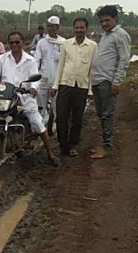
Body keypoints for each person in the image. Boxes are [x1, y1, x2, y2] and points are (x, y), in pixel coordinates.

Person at [0, 31, 59, 166]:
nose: (15, 45)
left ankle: (50, 153)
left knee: (37, 122)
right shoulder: (3, 59)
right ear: (8, 44)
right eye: (12, 42)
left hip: (24, 96)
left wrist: (33, 87)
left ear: (22, 42)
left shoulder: (30, 60)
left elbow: (35, 77)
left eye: (17, 42)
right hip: (4, 97)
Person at [51, 18, 97, 157]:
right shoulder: (66, 44)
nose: (79, 30)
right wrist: (55, 85)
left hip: (81, 86)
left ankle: (72, 145)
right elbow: (61, 65)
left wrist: (90, 89)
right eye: (76, 27)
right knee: (61, 116)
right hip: (65, 84)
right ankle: (62, 144)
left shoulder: (92, 46)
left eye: (81, 27)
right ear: (73, 28)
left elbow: (92, 69)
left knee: (77, 118)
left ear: (86, 29)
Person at [90, 5, 131, 159]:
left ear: (115, 19)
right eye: (101, 21)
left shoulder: (121, 35)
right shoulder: (106, 35)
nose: (104, 24)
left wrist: (117, 82)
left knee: (107, 114)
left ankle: (108, 147)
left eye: (107, 20)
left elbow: (124, 60)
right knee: (101, 114)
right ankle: (105, 144)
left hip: (107, 81)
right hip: (98, 80)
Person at [35, 16, 65, 124]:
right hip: (43, 78)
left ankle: (56, 127)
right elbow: (37, 60)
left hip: (57, 80)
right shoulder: (42, 43)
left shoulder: (64, 43)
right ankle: (41, 128)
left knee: (57, 106)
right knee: (41, 106)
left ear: (57, 27)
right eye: (48, 26)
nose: (50, 28)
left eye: (52, 26)